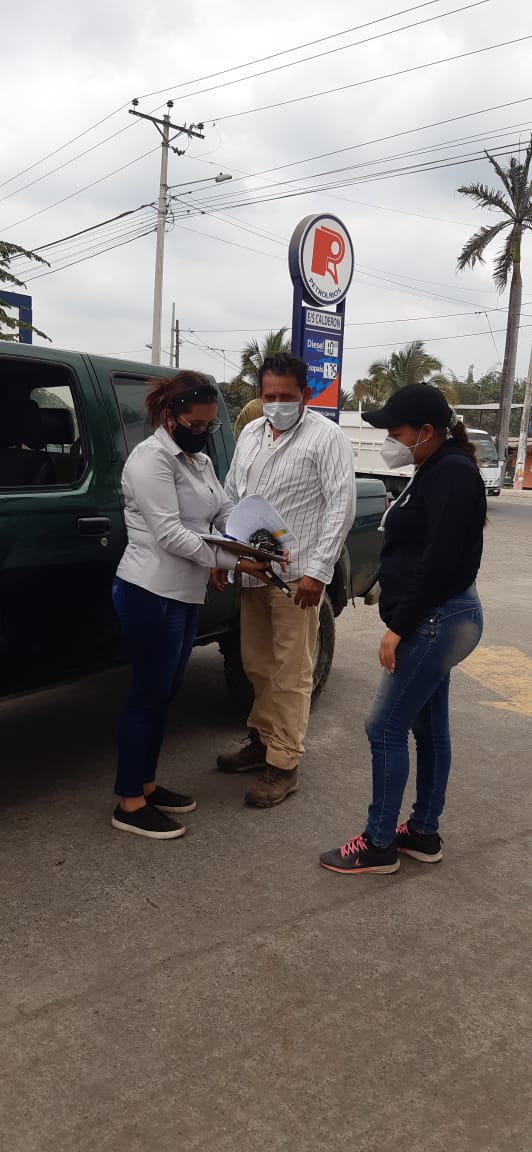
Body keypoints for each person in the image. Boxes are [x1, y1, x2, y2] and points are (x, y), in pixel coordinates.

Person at [320, 383, 485, 876]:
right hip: (439, 615)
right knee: (428, 728)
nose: (390, 441)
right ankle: (423, 833)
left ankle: (378, 844)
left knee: (384, 726)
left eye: (396, 432)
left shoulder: (452, 473)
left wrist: (399, 626)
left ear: (426, 431)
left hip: (437, 618)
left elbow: (438, 561)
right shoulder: (435, 468)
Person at [111, 370, 268, 840]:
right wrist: (236, 562)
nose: (202, 432)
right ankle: (128, 802)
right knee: (147, 694)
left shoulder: (197, 461)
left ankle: (146, 784)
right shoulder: (151, 460)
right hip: (149, 592)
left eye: (209, 425)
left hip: (183, 594)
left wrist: (256, 537)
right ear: (170, 415)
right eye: (195, 424)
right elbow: (171, 534)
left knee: (166, 692)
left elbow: (221, 511)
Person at [214, 353, 356, 809]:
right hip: (254, 572)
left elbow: (341, 506)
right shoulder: (251, 434)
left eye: (286, 396)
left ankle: (284, 764)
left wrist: (318, 572)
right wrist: (226, 553)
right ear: (260, 394)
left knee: (292, 672)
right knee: (256, 664)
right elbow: (233, 495)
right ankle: (261, 742)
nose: (277, 404)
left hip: (297, 579)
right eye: (269, 396)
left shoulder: (327, 437)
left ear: (305, 395)